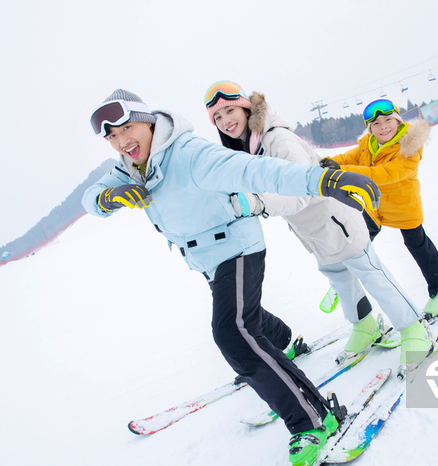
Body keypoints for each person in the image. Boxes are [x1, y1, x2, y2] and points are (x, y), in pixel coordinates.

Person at [81, 89, 382, 465]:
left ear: (148, 121)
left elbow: (255, 170)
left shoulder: (189, 153)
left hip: (236, 247)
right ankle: (286, 343)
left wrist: (319, 180)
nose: (122, 141)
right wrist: (107, 199)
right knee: (244, 318)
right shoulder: (129, 169)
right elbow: (91, 196)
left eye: (127, 128)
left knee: (232, 332)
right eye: (112, 137)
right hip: (205, 258)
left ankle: (315, 420)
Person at [203, 80, 433, 370]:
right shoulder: (254, 145)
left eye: (229, 111)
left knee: (372, 274)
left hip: (335, 221)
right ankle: (365, 326)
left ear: (246, 108)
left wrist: (257, 203)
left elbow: (303, 189)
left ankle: (414, 329)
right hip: (314, 231)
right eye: (217, 118)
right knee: (339, 279)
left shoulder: (277, 140)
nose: (225, 121)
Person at [320, 99, 438, 317]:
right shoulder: (368, 145)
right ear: (370, 129)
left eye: (388, 120)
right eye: (376, 124)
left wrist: (342, 171)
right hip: (375, 208)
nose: (383, 126)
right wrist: (322, 163)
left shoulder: (409, 146)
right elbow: (344, 158)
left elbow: (388, 173)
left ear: (398, 121)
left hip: (403, 206)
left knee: (418, 246)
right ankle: (344, 277)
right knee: (357, 242)